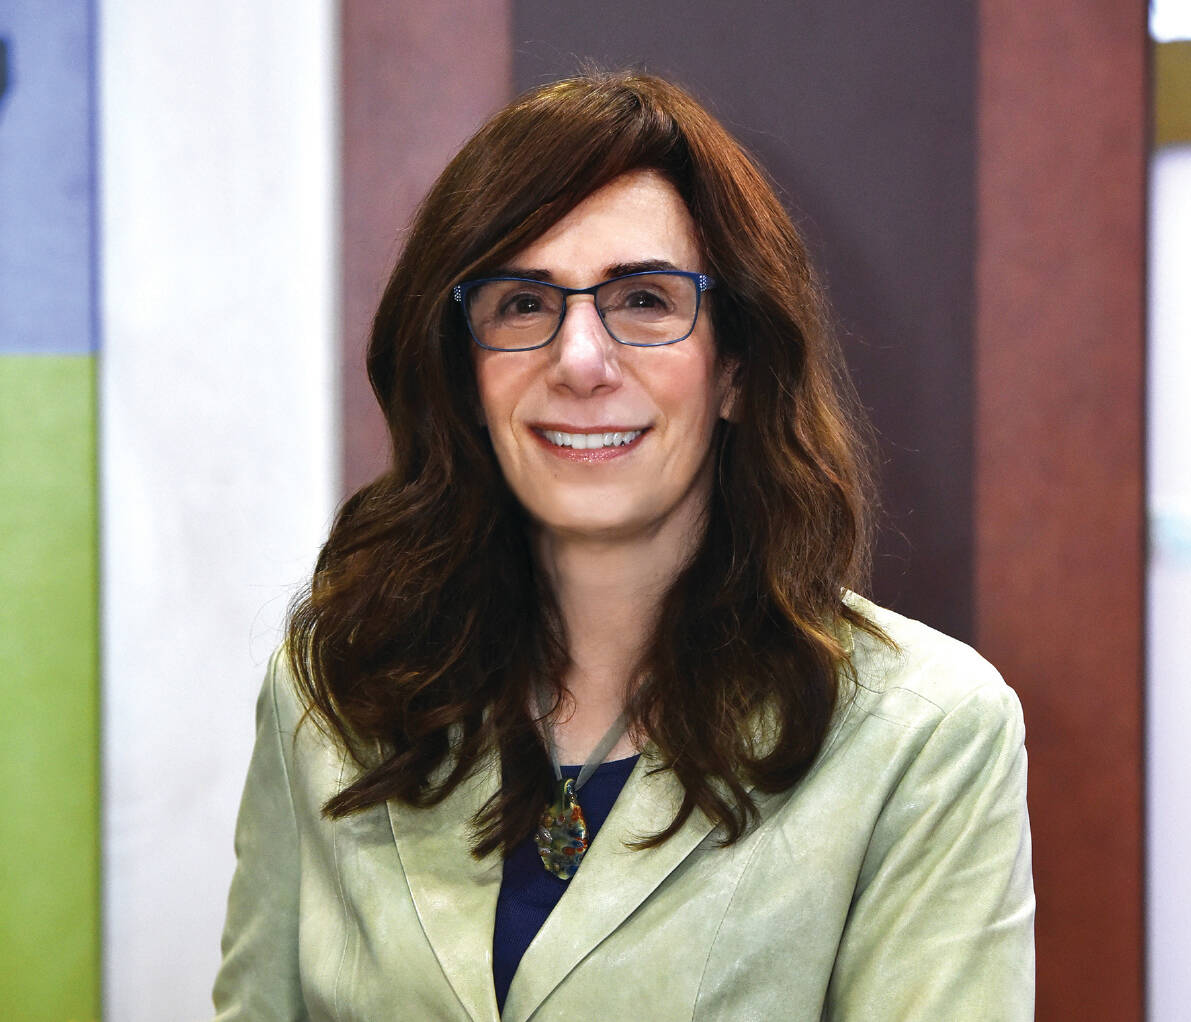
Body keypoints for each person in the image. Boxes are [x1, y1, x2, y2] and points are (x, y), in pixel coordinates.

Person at [212, 71, 1034, 1021]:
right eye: (523, 303)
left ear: (733, 366)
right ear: (463, 371)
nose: (579, 362)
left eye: (643, 299)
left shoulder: (924, 734)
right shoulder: (331, 691)